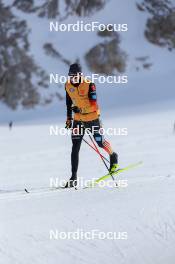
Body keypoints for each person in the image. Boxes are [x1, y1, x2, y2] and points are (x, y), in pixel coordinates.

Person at [65, 63, 118, 188]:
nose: (73, 78)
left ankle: (113, 156)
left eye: (75, 76)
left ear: (80, 74)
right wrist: (69, 118)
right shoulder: (67, 85)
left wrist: (81, 110)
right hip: (78, 120)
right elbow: (68, 103)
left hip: (92, 118)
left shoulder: (89, 84)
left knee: (100, 142)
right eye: (70, 76)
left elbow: (94, 104)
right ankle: (73, 177)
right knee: (75, 147)